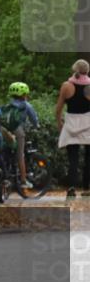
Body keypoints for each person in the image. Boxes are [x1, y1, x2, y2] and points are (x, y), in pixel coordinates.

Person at [56, 59, 90, 199]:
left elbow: (58, 108)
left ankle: (71, 188)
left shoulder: (67, 86)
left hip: (71, 124)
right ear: (87, 71)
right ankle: (87, 188)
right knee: (88, 158)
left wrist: (59, 122)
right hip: (88, 123)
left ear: (74, 70)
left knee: (73, 158)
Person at [2, 82, 40, 189]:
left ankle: (5, 174)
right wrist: (37, 126)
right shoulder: (26, 105)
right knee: (20, 155)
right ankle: (23, 180)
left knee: (5, 151)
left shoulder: (8, 105)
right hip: (17, 131)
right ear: (24, 94)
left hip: (5, 130)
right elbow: (34, 120)